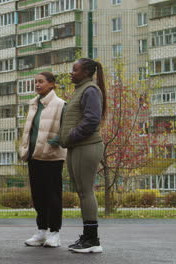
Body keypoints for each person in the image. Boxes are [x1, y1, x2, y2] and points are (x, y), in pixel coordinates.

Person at [58, 58, 107, 253]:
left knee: (86, 191)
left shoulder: (91, 90)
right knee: (81, 191)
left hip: (86, 146)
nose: (71, 72)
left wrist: (71, 135)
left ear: (86, 72)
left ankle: (92, 240)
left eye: (75, 70)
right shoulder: (81, 89)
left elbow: (92, 119)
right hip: (76, 147)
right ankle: (87, 237)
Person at [19, 72, 67, 248]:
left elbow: (66, 128)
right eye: (35, 82)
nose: (37, 85)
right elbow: (29, 130)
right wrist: (24, 148)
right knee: (38, 195)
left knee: (53, 195)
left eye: (41, 82)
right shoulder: (33, 104)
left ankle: (55, 233)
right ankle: (41, 231)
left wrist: (55, 142)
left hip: (52, 157)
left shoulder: (61, 104)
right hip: (34, 155)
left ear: (52, 84)